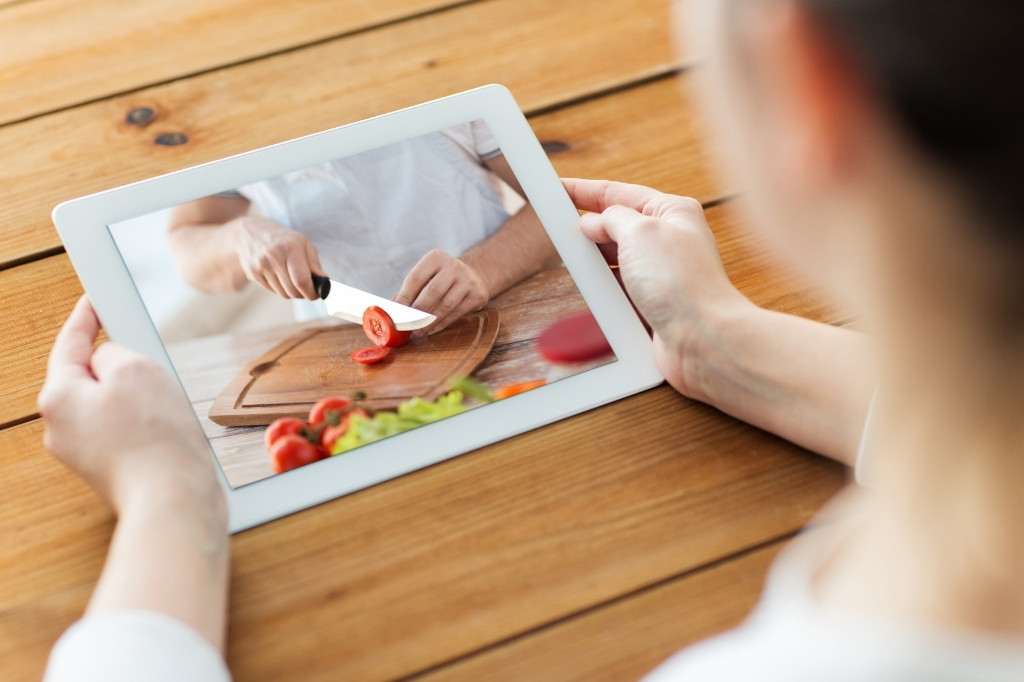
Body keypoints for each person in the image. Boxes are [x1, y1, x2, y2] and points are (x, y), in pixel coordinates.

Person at [39, 0, 1024, 679]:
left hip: (492, 309)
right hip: (347, 325)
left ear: (811, 79)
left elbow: (534, 204)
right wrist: (719, 337)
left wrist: (169, 496)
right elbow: (192, 237)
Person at [166, 121, 559, 335]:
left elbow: (560, 204)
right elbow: (187, 249)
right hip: (339, 345)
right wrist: (240, 237)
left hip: (506, 313)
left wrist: (483, 270)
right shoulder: (218, 120)